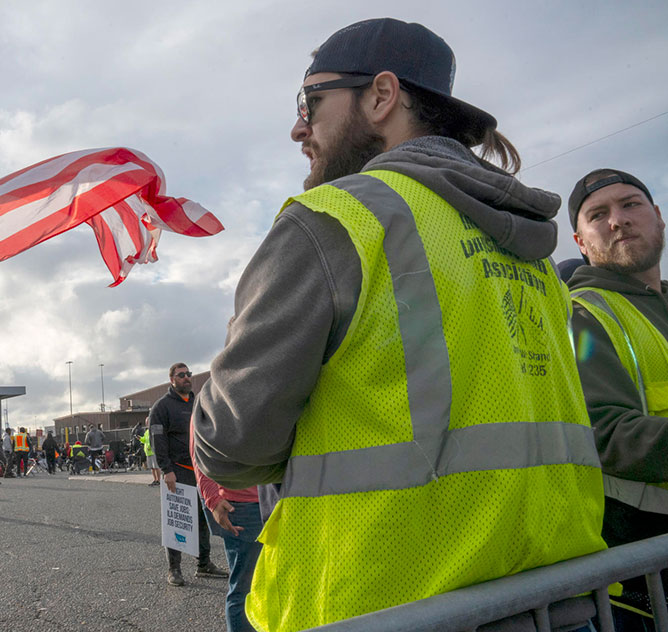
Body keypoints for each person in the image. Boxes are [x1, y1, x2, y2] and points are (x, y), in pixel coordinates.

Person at [191, 18, 607, 631]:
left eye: (311, 101)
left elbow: (231, 442)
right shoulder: (532, 252)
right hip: (556, 603)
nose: (298, 127)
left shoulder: (334, 220)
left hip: (378, 603)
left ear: (382, 97)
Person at [566, 169, 667, 628]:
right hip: (644, 568)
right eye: (598, 215)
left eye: (631, 205)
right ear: (581, 242)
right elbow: (603, 434)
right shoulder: (579, 316)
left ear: (659, 218)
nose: (618, 221)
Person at [151, 363, 226, 587]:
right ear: (171, 379)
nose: (186, 378)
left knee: (203, 518)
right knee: (178, 520)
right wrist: (166, 470)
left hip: (201, 471)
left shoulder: (196, 402)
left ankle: (204, 564)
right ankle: (174, 569)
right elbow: (158, 440)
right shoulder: (161, 407)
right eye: (181, 375)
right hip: (177, 472)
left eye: (188, 374)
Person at [191, 433, 262, 632]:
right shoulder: (208, 400)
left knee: (264, 585)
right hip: (240, 504)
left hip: (267, 497)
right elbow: (199, 448)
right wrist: (212, 499)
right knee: (244, 588)